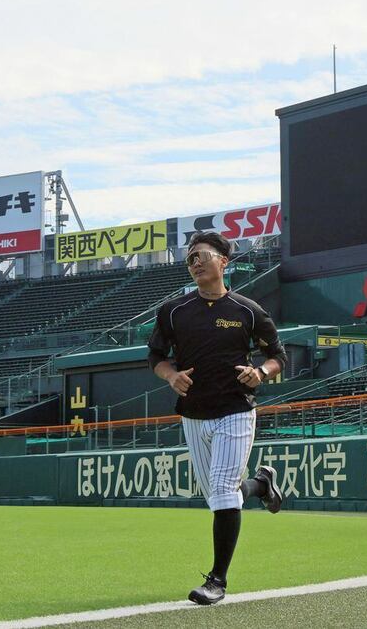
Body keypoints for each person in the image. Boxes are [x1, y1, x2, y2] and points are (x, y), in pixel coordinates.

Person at [147, 231, 289, 605]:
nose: (194, 262)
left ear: (223, 261)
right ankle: (260, 485)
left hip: (236, 410)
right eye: (190, 258)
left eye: (201, 255)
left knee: (223, 490)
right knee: (217, 496)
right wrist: (170, 375)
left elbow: (278, 355)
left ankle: (217, 581)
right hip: (193, 414)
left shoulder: (247, 310)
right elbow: (156, 356)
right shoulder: (174, 311)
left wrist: (261, 373)